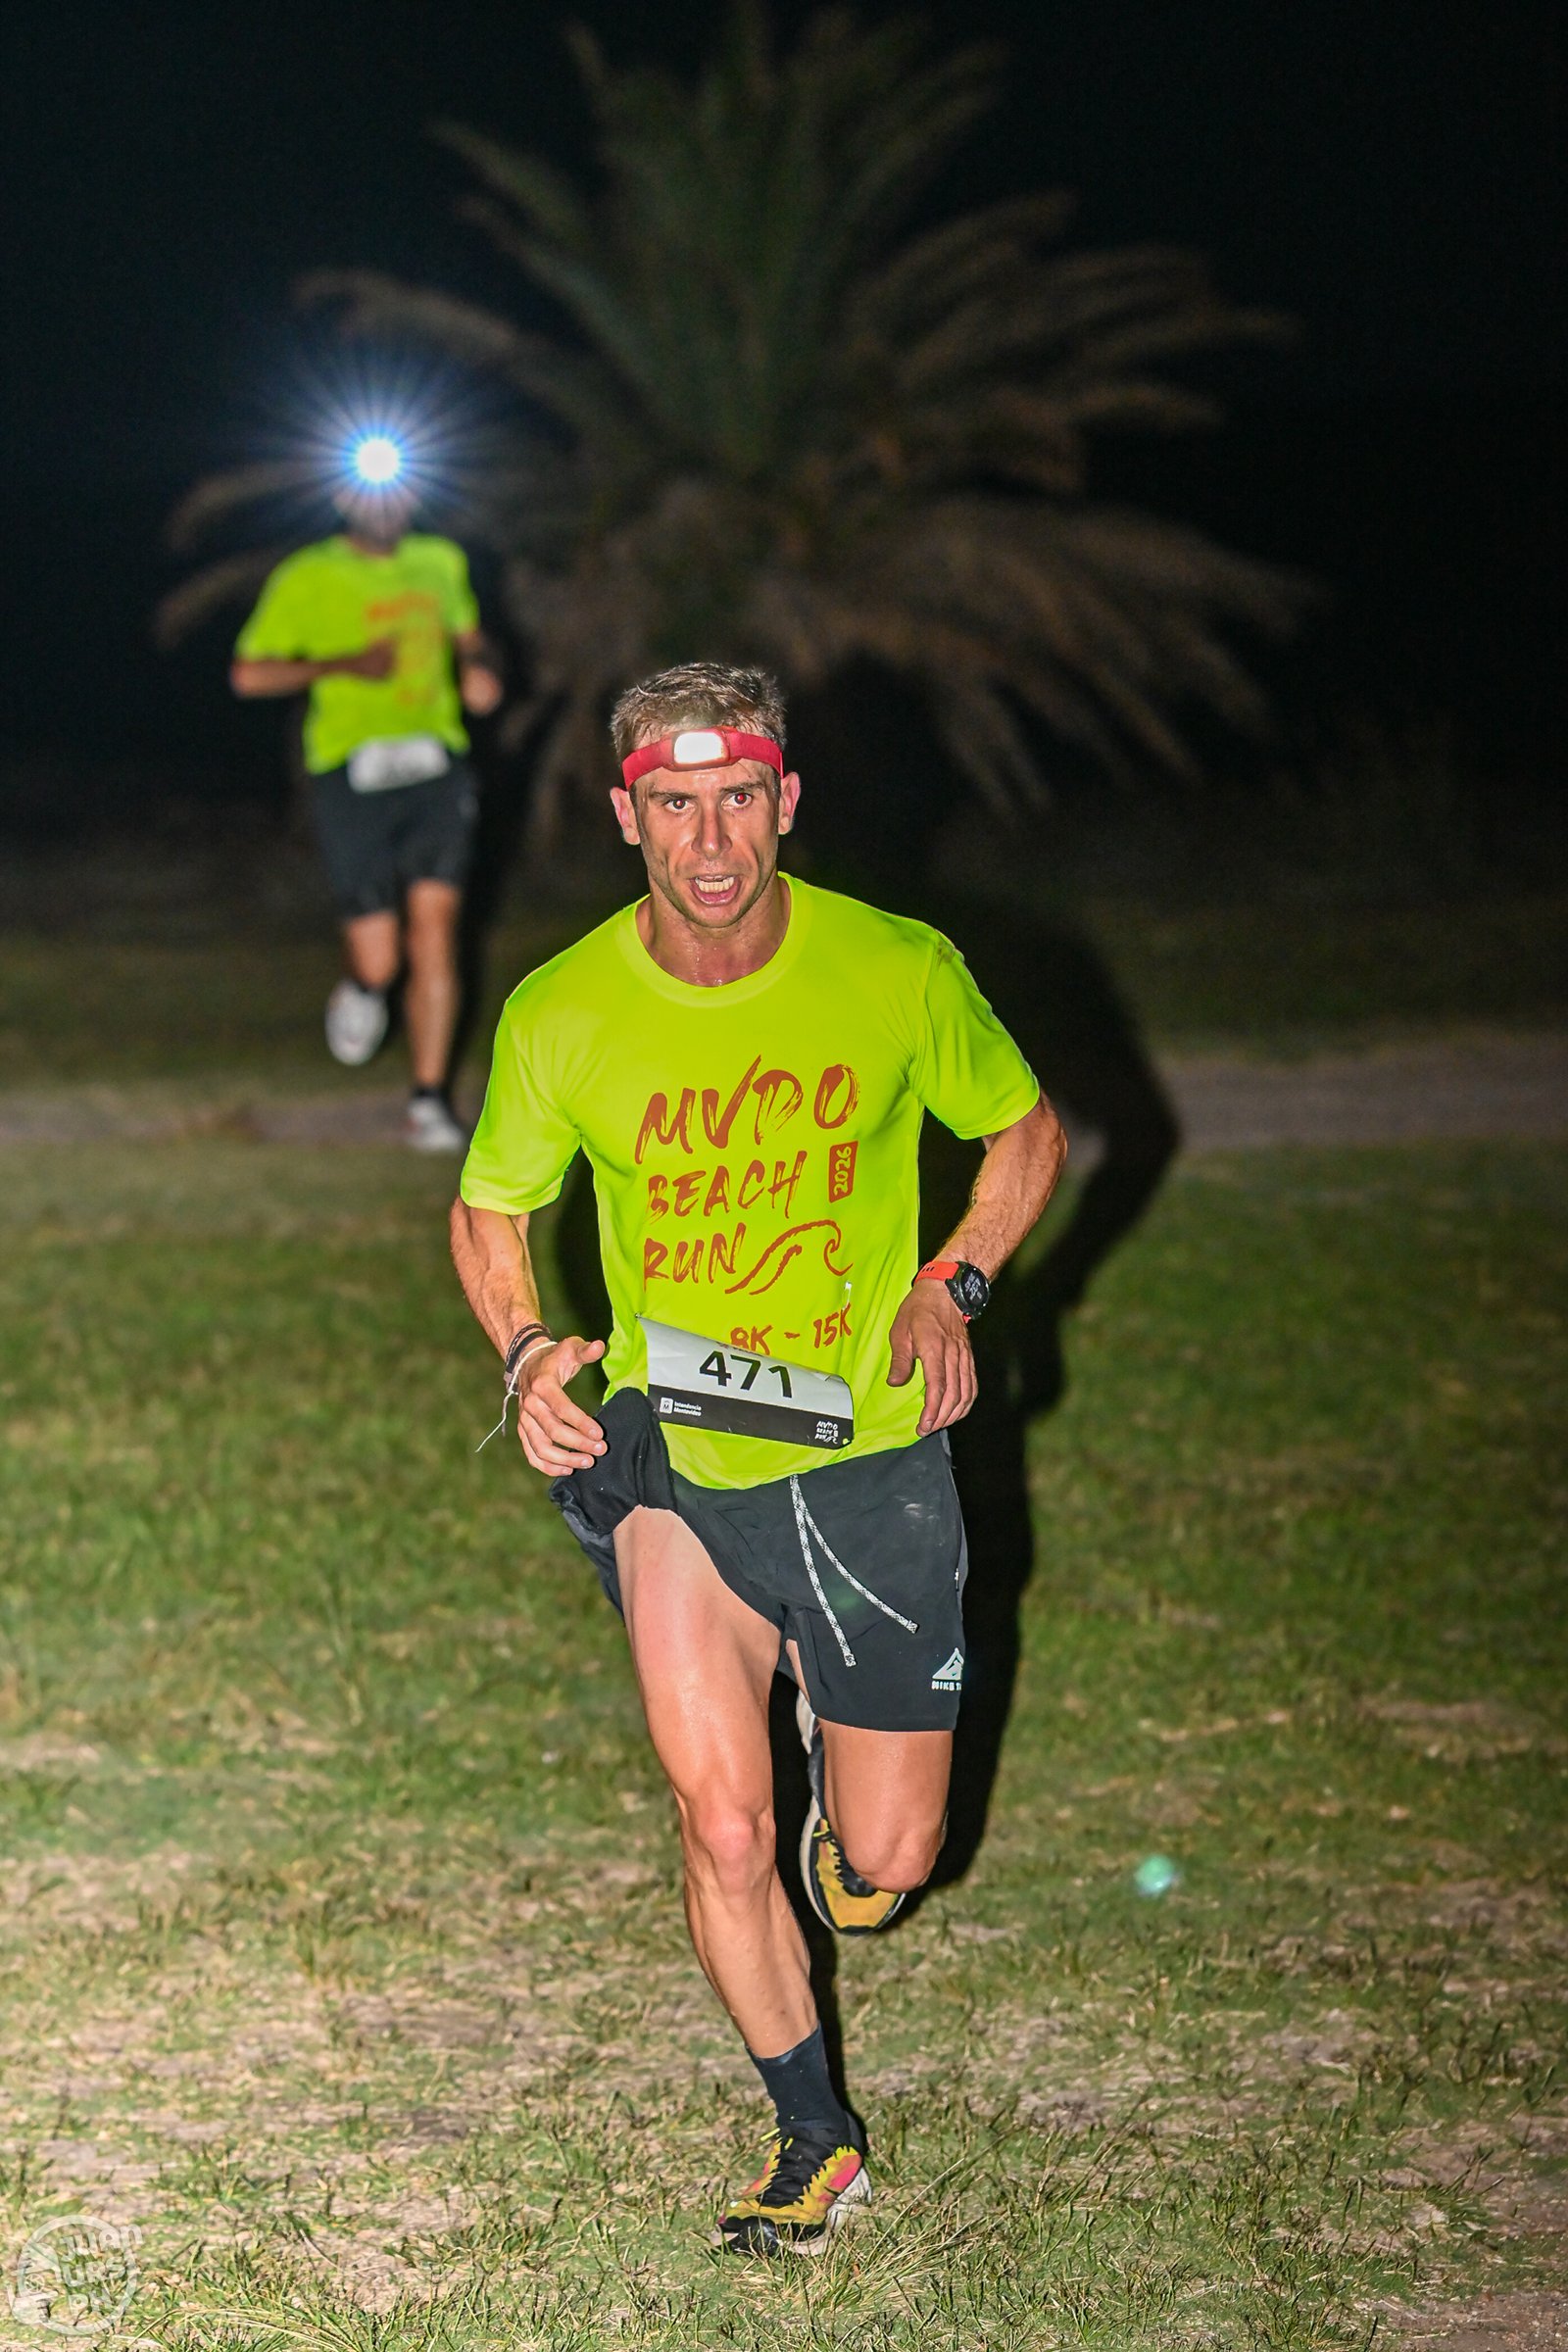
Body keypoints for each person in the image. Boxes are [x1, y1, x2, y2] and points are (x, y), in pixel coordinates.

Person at [450, 662, 1066, 2254]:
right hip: (679, 1455)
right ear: (624, 814)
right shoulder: (564, 1009)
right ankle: (814, 2138)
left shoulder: (893, 967)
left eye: (740, 800)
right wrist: (526, 1348)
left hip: (866, 1457)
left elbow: (1025, 1131)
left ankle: (845, 1833)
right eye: (675, 803)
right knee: (718, 1820)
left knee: (890, 1858)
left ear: (785, 801)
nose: (711, 838)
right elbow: (490, 1209)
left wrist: (957, 1280)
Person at [230, 466, 503, 1151]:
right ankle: (362, 987)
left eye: (397, 491)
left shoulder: (440, 563)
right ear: (344, 499)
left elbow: (471, 639)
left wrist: (482, 673)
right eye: (368, 494)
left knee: (435, 926)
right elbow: (249, 673)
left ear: (414, 495)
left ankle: (428, 1100)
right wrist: (343, 665)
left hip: (436, 763)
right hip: (350, 770)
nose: (385, 507)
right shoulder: (308, 575)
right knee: (382, 960)